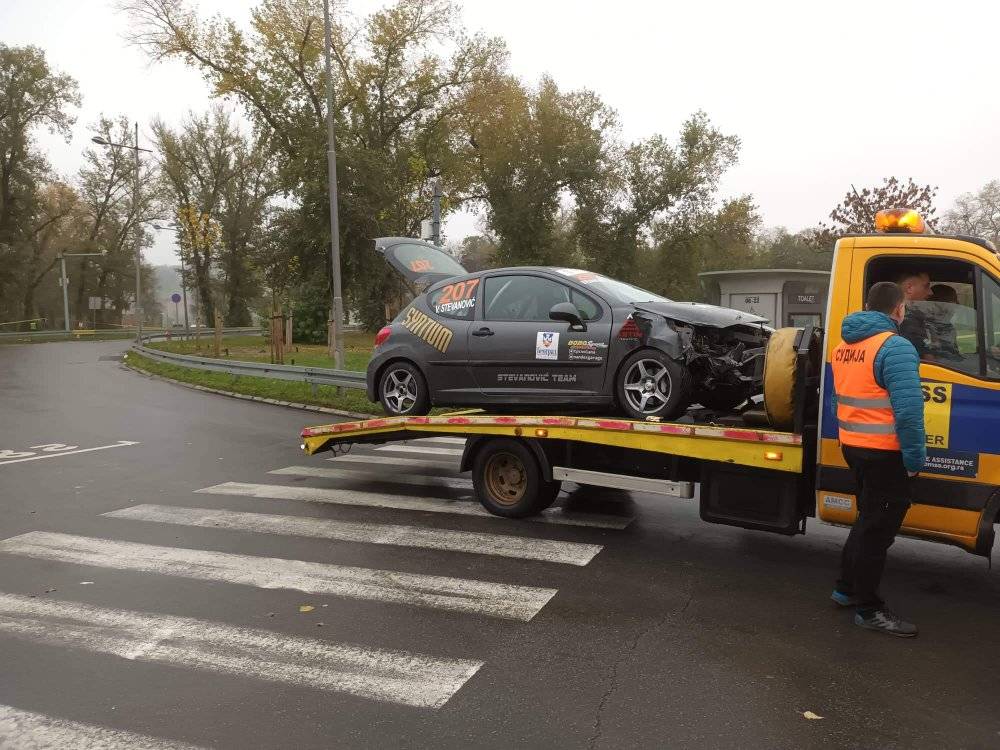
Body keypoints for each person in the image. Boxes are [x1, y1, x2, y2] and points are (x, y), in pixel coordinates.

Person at [830, 281, 926, 637]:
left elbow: (842, 399)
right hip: (885, 453)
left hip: (854, 447)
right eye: (905, 308)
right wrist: (914, 460)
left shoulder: (844, 346)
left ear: (869, 307)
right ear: (898, 309)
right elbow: (909, 412)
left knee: (867, 519)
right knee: (877, 532)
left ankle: (845, 588)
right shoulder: (894, 346)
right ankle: (868, 609)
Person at [896, 270, 932, 359]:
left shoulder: (895, 315)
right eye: (926, 286)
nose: (930, 292)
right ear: (909, 288)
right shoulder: (907, 321)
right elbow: (928, 358)